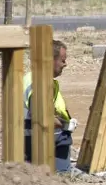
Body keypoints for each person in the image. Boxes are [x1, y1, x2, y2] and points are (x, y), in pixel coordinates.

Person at [23, 39, 74, 173]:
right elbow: (38, 115)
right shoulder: (39, 82)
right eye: (62, 60)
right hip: (35, 138)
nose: (65, 64)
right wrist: (62, 124)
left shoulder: (35, 78)